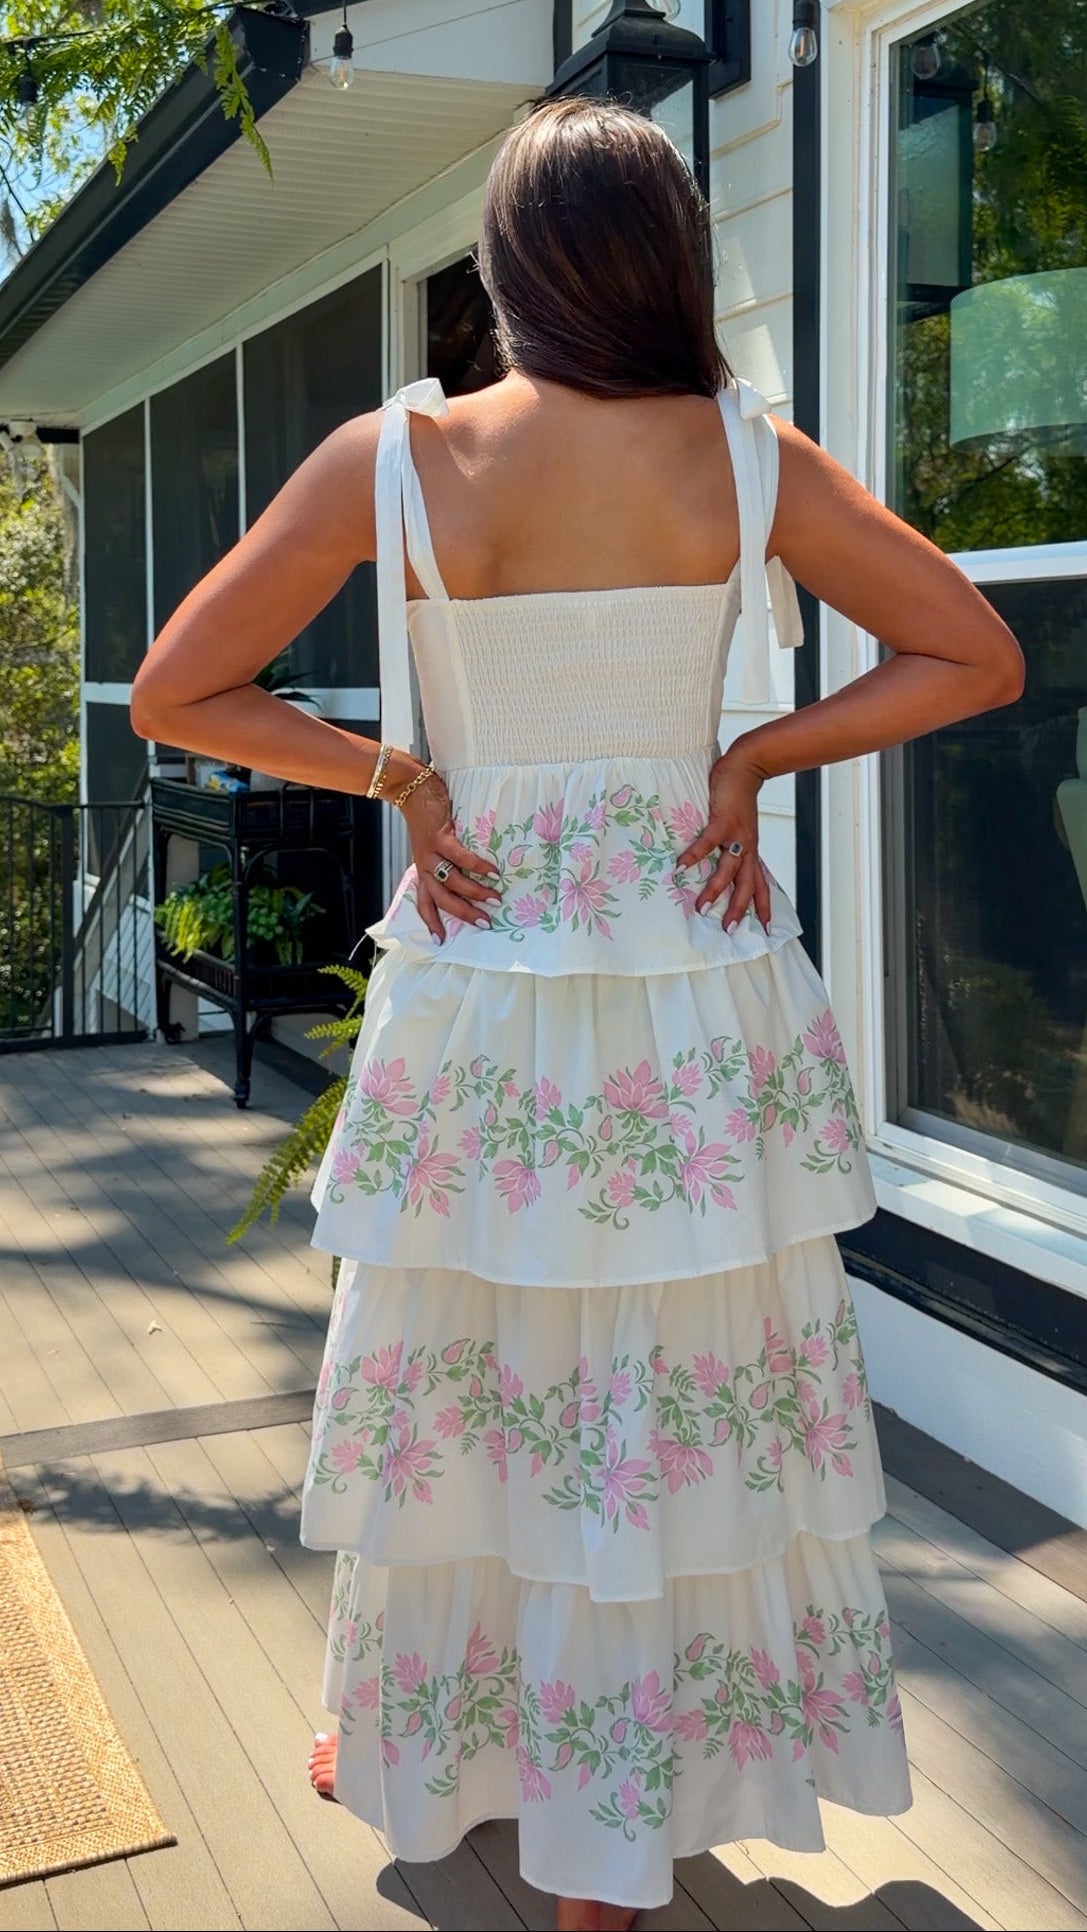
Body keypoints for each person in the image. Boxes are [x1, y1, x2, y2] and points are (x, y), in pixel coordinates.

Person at [131, 97, 1023, 1932]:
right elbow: (977, 654)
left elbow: (175, 690)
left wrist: (398, 779)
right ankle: (611, 1846)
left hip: (482, 984)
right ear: (667, 259)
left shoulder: (397, 460)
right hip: (692, 991)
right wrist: (753, 755)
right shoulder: (752, 459)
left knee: (470, 1367)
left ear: (518, 268)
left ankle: (437, 1741)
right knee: (673, 1390)